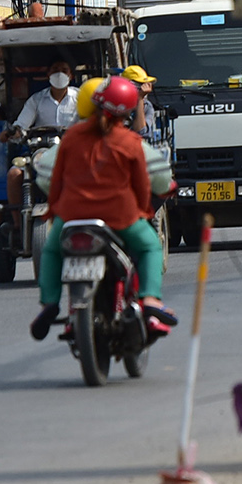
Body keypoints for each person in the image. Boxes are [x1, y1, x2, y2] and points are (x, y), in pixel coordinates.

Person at [28, 76, 174, 342]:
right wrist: (142, 210)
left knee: (51, 250)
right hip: (119, 216)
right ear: (127, 112)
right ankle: (150, 298)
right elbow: (145, 184)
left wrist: (58, 206)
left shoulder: (71, 138)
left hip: (72, 215)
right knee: (150, 245)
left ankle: (48, 304)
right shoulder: (131, 142)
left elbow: (49, 178)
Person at [13, 60, 81, 138]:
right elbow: (22, 124)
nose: (60, 74)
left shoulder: (80, 97)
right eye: (55, 70)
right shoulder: (36, 100)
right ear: (48, 74)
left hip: (73, 144)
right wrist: (13, 132)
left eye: (64, 71)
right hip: (44, 146)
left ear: (71, 76)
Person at [123, 64, 164, 149]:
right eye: (139, 84)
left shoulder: (147, 106)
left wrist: (140, 99)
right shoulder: (117, 103)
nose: (143, 89)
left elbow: (140, 133)